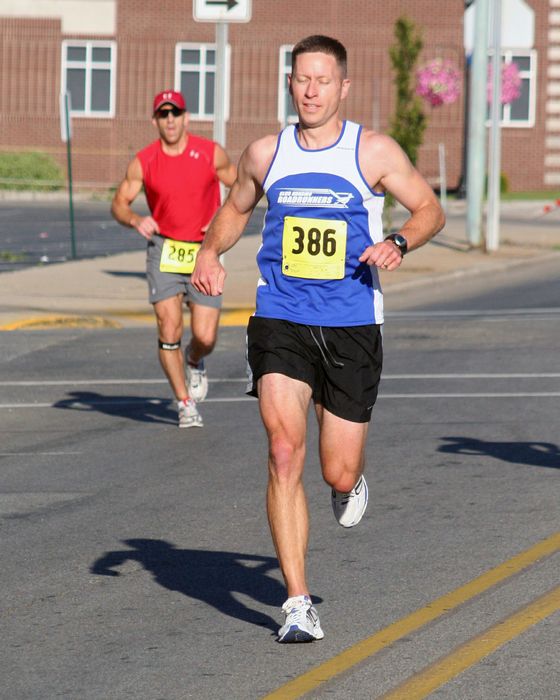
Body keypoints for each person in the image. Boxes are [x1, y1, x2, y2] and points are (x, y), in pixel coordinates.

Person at [191, 36, 445, 641]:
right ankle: (298, 602)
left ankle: (349, 482)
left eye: (322, 81)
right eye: (302, 79)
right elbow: (236, 208)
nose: (311, 91)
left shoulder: (372, 151)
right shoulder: (266, 153)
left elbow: (429, 210)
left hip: (351, 323)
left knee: (336, 470)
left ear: (343, 87)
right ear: (290, 83)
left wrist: (399, 241)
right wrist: (208, 251)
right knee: (284, 451)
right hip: (281, 317)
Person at [111, 90, 236, 428]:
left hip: (203, 251)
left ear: (186, 118)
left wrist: (222, 219)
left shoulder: (210, 153)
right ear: (155, 121)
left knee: (205, 336)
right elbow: (119, 203)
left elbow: (243, 187)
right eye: (163, 114)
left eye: (175, 113)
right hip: (164, 250)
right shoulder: (144, 161)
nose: (170, 120)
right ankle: (184, 402)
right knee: (169, 326)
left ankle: (194, 358)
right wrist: (135, 219)